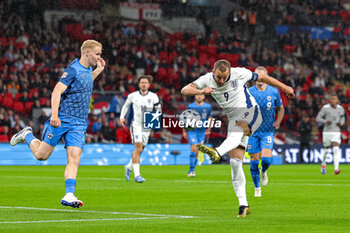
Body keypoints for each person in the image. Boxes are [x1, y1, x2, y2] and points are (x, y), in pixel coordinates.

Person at [181, 59, 294, 218]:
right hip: (233, 118)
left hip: (251, 111)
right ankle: (244, 205)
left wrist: (285, 87)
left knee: (238, 129)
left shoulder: (239, 73)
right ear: (213, 72)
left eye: (224, 77)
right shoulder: (207, 79)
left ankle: (217, 152)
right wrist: (200, 91)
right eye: (218, 77)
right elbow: (185, 90)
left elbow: (263, 77)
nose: (221, 81)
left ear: (229, 72)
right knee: (235, 162)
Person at [10, 40, 105, 208]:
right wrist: (54, 115)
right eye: (97, 54)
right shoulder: (73, 70)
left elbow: (85, 83)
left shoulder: (88, 69)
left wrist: (98, 70)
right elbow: (56, 91)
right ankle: (27, 134)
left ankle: (69, 194)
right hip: (62, 119)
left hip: (78, 124)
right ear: (87, 52)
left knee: (75, 158)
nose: (99, 57)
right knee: (41, 155)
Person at [246, 66, 284, 197]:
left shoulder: (274, 92)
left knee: (266, 160)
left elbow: (281, 108)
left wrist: (278, 121)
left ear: (266, 77)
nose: (259, 79)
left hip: (267, 131)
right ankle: (257, 187)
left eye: (262, 76)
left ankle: (264, 171)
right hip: (252, 132)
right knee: (254, 161)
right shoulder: (249, 91)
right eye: (257, 76)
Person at [120, 75, 161, 183]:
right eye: (142, 82)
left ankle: (128, 166)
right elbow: (125, 106)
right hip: (136, 125)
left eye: (145, 83)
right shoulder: (133, 96)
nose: (143, 84)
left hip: (147, 126)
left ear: (149, 85)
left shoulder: (153, 96)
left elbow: (158, 110)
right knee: (138, 148)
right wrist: (122, 117)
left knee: (140, 150)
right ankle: (137, 175)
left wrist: (154, 123)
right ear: (139, 84)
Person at [182, 94, 212, 177]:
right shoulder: (190, 106)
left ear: (204, 97)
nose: (199, 97)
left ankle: (193, 169)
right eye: (198, 95)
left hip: (201, 131)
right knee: (194, 148)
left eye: (201, 95)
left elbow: (210, 118)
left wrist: (208, 129)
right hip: (192, 130)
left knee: (197, 151)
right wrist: (184, 130)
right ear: (195, 96)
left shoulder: (208, 107)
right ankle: (191, 170)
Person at [316, 94, 345, 175]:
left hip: (336, 131)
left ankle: (336, 169)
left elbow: (342, 118)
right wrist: (325, 121)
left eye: (335, 99)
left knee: (336, 149)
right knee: (327, 150)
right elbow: (318, 118)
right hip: (327, 132)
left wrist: (341, 123)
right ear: (330, 100)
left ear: (337, 100)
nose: (333, 100)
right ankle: (323, 164)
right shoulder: (325, 108)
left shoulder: (341, 108)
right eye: (332, 99)